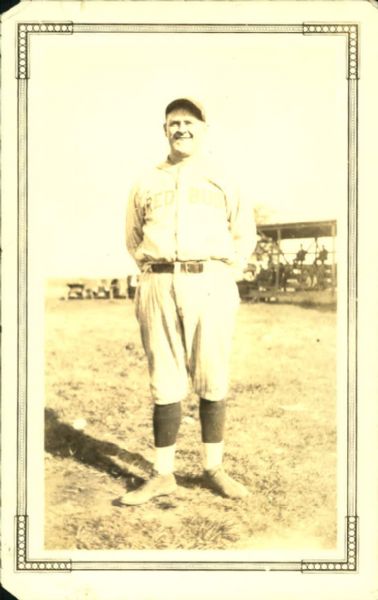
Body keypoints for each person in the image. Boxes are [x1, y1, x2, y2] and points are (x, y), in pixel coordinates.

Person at [121, 97, 257, 505]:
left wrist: (223, 276)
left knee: (212, 374)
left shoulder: (224, 178)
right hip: (158, 282)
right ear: (164, 131)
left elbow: (243, 235)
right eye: (173, 123)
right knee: (164, 378)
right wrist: (156, 273)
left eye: (188, 122)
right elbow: (132, 237)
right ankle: (163, 475)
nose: (181, 128)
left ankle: (213, 468)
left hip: (210, 281)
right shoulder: (146, 180)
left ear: (203, 129)